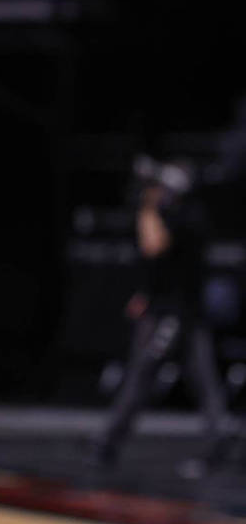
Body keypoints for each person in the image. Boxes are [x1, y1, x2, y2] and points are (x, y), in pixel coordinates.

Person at [91, 159, 228, 471]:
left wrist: (147, 208)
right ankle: (218, 438)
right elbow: (160, 269)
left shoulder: (188, 217)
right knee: (197, 377)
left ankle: (109, 440)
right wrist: (145, 295)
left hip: (176, 315)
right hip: (171, 310)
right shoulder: (180, 214)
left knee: (146, 374)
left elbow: (154, 247)